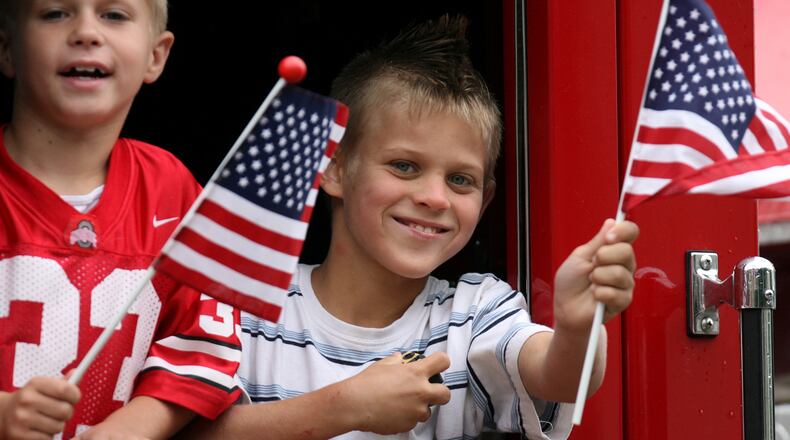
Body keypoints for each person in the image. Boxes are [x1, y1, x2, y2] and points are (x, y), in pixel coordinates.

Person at [182, 15, 639, 439]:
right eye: (404, 166)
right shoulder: (245, 303)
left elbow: (559, 376)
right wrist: (346, 407)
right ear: (334, 169)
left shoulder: (475, 313)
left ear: (486, 201)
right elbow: (184, 431)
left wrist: (578, 327)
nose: (435, 197)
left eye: (460, 180)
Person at [0, 0, 241, 438]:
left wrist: (132, 428)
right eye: (55, 13)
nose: (86, 32)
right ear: (6, 46)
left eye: (113, 15)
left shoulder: (173, 189)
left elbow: (203, 342)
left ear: (156, 55)